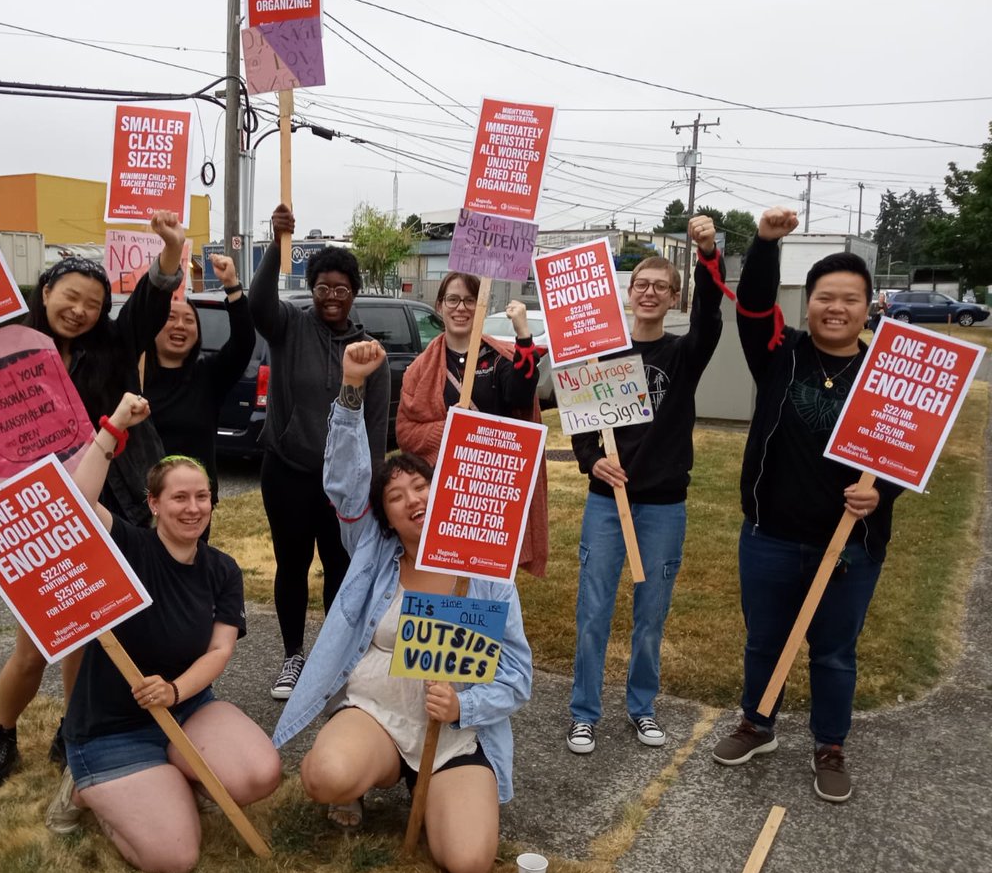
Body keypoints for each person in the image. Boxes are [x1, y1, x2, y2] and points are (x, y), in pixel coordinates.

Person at [272, 341, 532, 873]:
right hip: (380, 711)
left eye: (422, 486)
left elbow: (517, 676)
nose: (413, 499)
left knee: (468, 863)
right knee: (325, 776)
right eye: (396, 497)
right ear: (384, 518)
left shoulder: (486, 575)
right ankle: (376, 772)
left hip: (454, 731)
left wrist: (463, 705)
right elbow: (344, 480)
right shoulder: (373, 553)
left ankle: (431, 785)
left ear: (443, 493)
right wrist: (352, 387)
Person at [0, 212, 186, 787]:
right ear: (45, 293)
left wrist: (170, 251)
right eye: (70, 297)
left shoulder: (115, 345)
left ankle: (73, 728)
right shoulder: (7, 353)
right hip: (41, 511)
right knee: (34, 641)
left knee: (88, 635)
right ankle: (3, 733)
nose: (80, 310)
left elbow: (150, 303)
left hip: (114, 504)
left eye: (93, 303)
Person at [710, 207, 903, 803]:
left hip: (850, 545)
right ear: (810, 303)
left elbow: (911, 449)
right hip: (770, 535)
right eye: (825, 297)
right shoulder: (781, 353)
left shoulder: (887, 373)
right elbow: (751, 306)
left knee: (834, 653)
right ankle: (757, 722)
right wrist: (764, 244)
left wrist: (882, 491)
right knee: (764, 640)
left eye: (849, 299)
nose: (835, 308)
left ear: (868, 307)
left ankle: (830, 744)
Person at [44, 392, 281, 873]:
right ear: (153, 503)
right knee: (174, 857)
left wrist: (174, 691)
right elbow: (74, 504)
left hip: (186, 707)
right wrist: (113, 428)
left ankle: (174, 772)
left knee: (261, 775)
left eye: (202, 497)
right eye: (179, 497)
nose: (193, 508)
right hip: (111, 727)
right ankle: (84, 788)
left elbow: (219, 651)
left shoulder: (222, 569)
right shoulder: (126, 546)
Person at [566, 216, 725, 755]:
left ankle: (642, 707)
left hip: (662, 505)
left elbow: (710, 317)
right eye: (642, 285)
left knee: (651, 615)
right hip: (605, 504)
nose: (650, 293)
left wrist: (708, 255)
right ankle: (584, 713)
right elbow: (582, 423)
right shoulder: (602, 353)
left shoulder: (684, 354)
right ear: (628, 293)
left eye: (661, 286)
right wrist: (592, 461)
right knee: (593, 612)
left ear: (674, 297)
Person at [249, 204, 391, 699]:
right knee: (291, 566)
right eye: (323, 288)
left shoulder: (370, 354)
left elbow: (376, 427)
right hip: (287, 471)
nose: (332, 297)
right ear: (312, 290)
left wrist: (373, 488)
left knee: (340, 570)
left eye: (342, 289)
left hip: (344, 487)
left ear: (354, 293)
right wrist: (276, 243)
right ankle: (293, 656)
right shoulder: (289, 327)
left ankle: (333, 660)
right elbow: (258, 303)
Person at [396, 271, 549, 577]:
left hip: (492, 493)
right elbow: (404, 432)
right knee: (445, 576)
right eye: (453, 299)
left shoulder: (498, 357)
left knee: (490, 580)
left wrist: (523, 335)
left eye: (469, 300)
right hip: (444, 491)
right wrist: (448, 430)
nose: (461, 308)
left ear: (481, 306)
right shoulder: (421, 368)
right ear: (440, 306)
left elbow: (520, 396)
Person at [141, 253, 256, 512]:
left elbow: (243, 343)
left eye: (189, 320)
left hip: (193, 505)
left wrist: (232, 287)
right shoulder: (131, 377)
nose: (180, 325)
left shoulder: (208, 376)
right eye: (170, 318)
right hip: (141, 503)